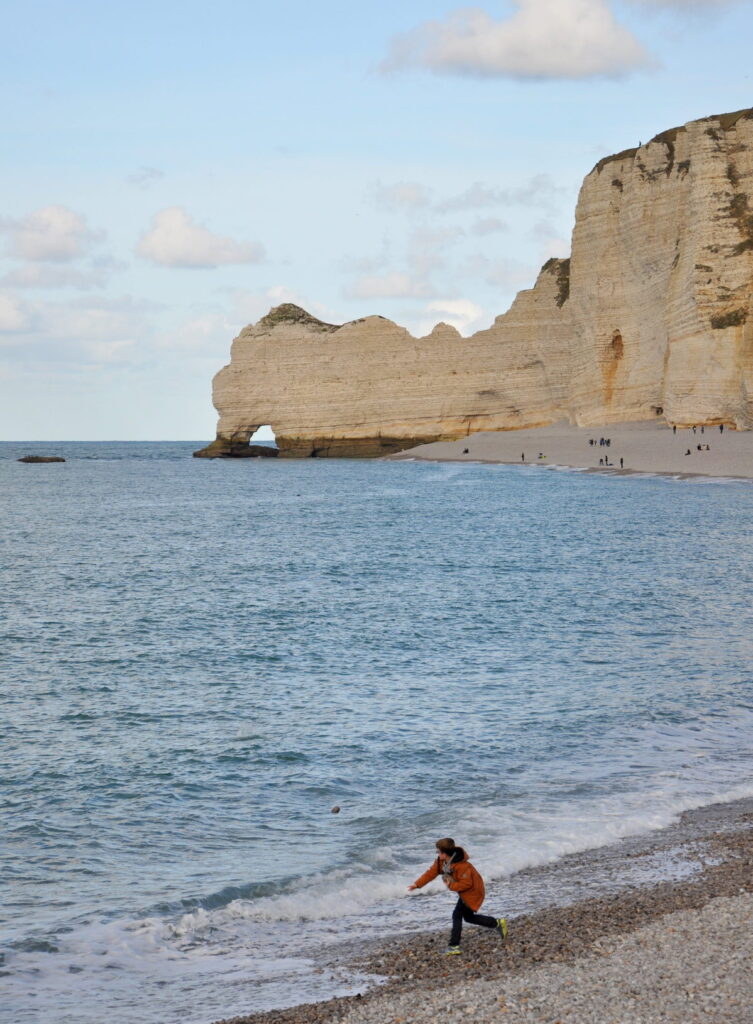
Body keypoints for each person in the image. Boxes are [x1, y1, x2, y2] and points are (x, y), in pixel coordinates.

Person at [408, 838, 507, 955]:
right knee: (468, 917)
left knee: (457, 915)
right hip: (464, 892)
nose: (437, 854)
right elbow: (431, 873)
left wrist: (451, 885)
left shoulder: (463, 865)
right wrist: (417, 884)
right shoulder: (442, 861)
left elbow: (467, 884)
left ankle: (454, 946)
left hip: (473, 891)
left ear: (445, 853)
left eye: (438, 852)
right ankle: (497, 923)